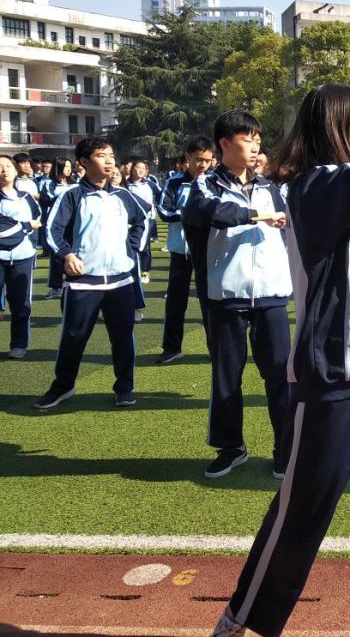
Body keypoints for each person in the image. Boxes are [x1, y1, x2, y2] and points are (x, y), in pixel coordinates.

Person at [213, 83, 350, 637]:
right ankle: (244, 616)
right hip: (337, 376)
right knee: (303, 511)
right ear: (336, 128)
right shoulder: (316, 186)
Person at [183, 110, 293, 480]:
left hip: (272, 295)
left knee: (281, 375)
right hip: (226, 297)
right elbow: (207, 211)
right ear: (225, 144)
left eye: (258, 139)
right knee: (227, 376)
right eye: (247, 139)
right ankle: (232, 447)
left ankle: (286, 449)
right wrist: (256, 216)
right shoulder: (205, 185)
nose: (255, 145)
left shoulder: (271, 187)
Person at [34, 138, 146, 410]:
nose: (109, 160)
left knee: (123, 337)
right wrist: (67, 255)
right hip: (84, 283)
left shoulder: (123, 195)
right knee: (74, 337)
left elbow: (141, 222)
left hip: (120, 282)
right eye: (100, 155)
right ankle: (63, 387)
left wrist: (130, 253)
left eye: (111, 155)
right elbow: (52, 231)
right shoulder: (72, 195)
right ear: (83, 162)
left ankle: (125, 388)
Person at [155, 136, 215, 363]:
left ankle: (215, 348)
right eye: (199, 159)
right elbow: (164, 211)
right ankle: (172, 347)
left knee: (209, 302)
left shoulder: (214, 182)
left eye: (207, 161)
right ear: (188, 158)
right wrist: (189, 214)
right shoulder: (174, 182)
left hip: (208, 251)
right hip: (180, 251)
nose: (203, 165)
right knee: (175, 302)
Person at [0, 155, 41, 358]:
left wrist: (25, 231)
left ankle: (18, 343)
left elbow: (38, 218)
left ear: (16, 171)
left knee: (21, 303)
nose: (4, 170)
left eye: (8, 166)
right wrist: (24, 226)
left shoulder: (26, 197)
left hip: (23, 256)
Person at [41, 158, 77, 300]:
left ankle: (72, 282)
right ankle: (56, 287)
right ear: (58, 167)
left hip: (73, 224)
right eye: (65, 166)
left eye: (70, 166)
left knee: (73, 252)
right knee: (56, 256)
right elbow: (48, 199)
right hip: (57, 223)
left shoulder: (75, 184)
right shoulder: (49, 184)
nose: (68, 169)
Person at [125, 158, 161, 284]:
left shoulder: (150, 184)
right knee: (129, 245)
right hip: (128, 221)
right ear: (132, 169)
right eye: (138, 168)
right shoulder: (125, 184)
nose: (141, 171)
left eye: (143, 169)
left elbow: (162, 196)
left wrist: (154, 209)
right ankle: (130, 270)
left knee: (145, 247)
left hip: (147, 220)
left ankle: (145, 271)